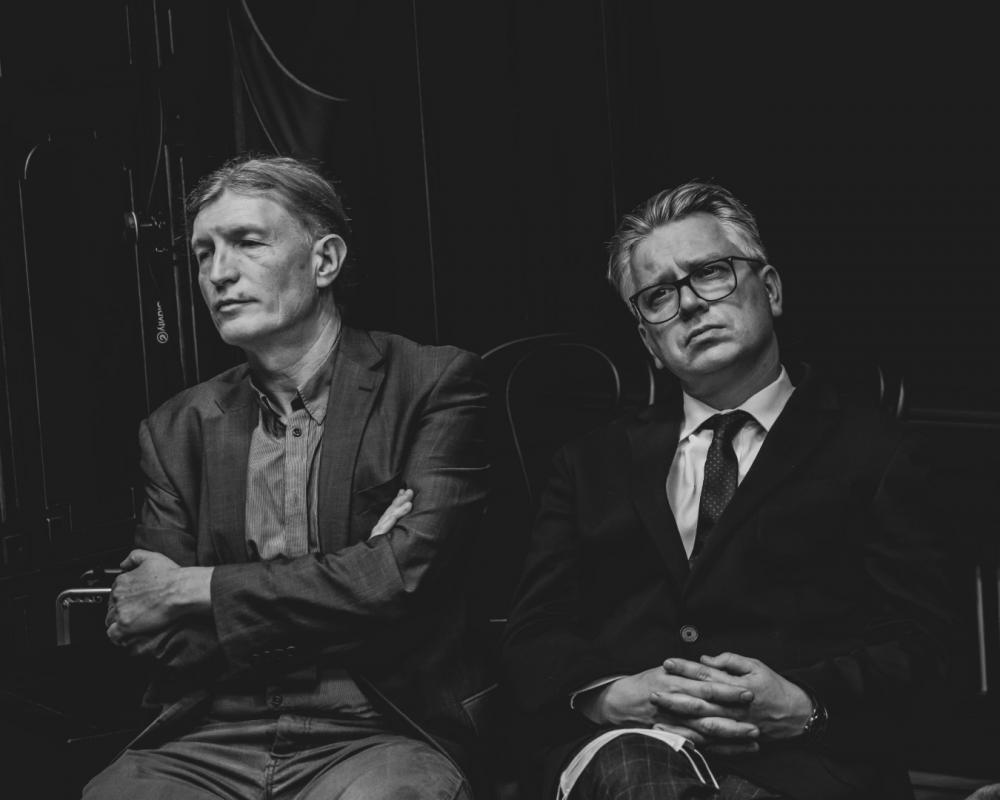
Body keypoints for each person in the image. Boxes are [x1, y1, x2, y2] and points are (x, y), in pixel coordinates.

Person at [501, 182, 951, 799]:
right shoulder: (589, 464)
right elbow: (533, 633)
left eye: (710, 273)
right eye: (658, 295)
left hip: (804, 769)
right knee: (634, 772)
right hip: (625, 755)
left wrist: (806, 703)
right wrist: (612, 695)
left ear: (770, 289)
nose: (688, 303)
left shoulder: (877, 453)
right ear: (648, 342)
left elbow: (924, 645)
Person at [84, 155, 489, 799]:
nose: (219, 273)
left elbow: (408, 582)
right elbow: (155, 633)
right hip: (212, 734)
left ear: (324, 260)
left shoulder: (431, 383)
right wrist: (357, 573)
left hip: (378, 730)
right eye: (203, 253)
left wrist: (198, 589)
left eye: (248, 242)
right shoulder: (175, 427)